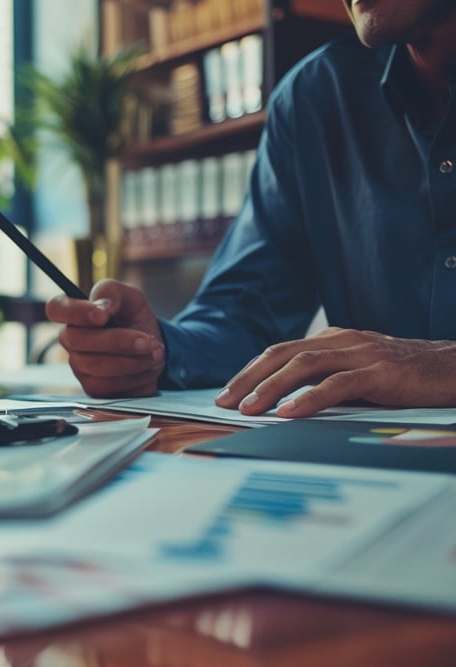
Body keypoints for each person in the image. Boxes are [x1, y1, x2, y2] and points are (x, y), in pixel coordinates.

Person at [47, 0, 456, 418]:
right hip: (379, 464)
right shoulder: (314, 97)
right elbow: (249, 311)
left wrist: (441, 365)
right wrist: (153, 350)